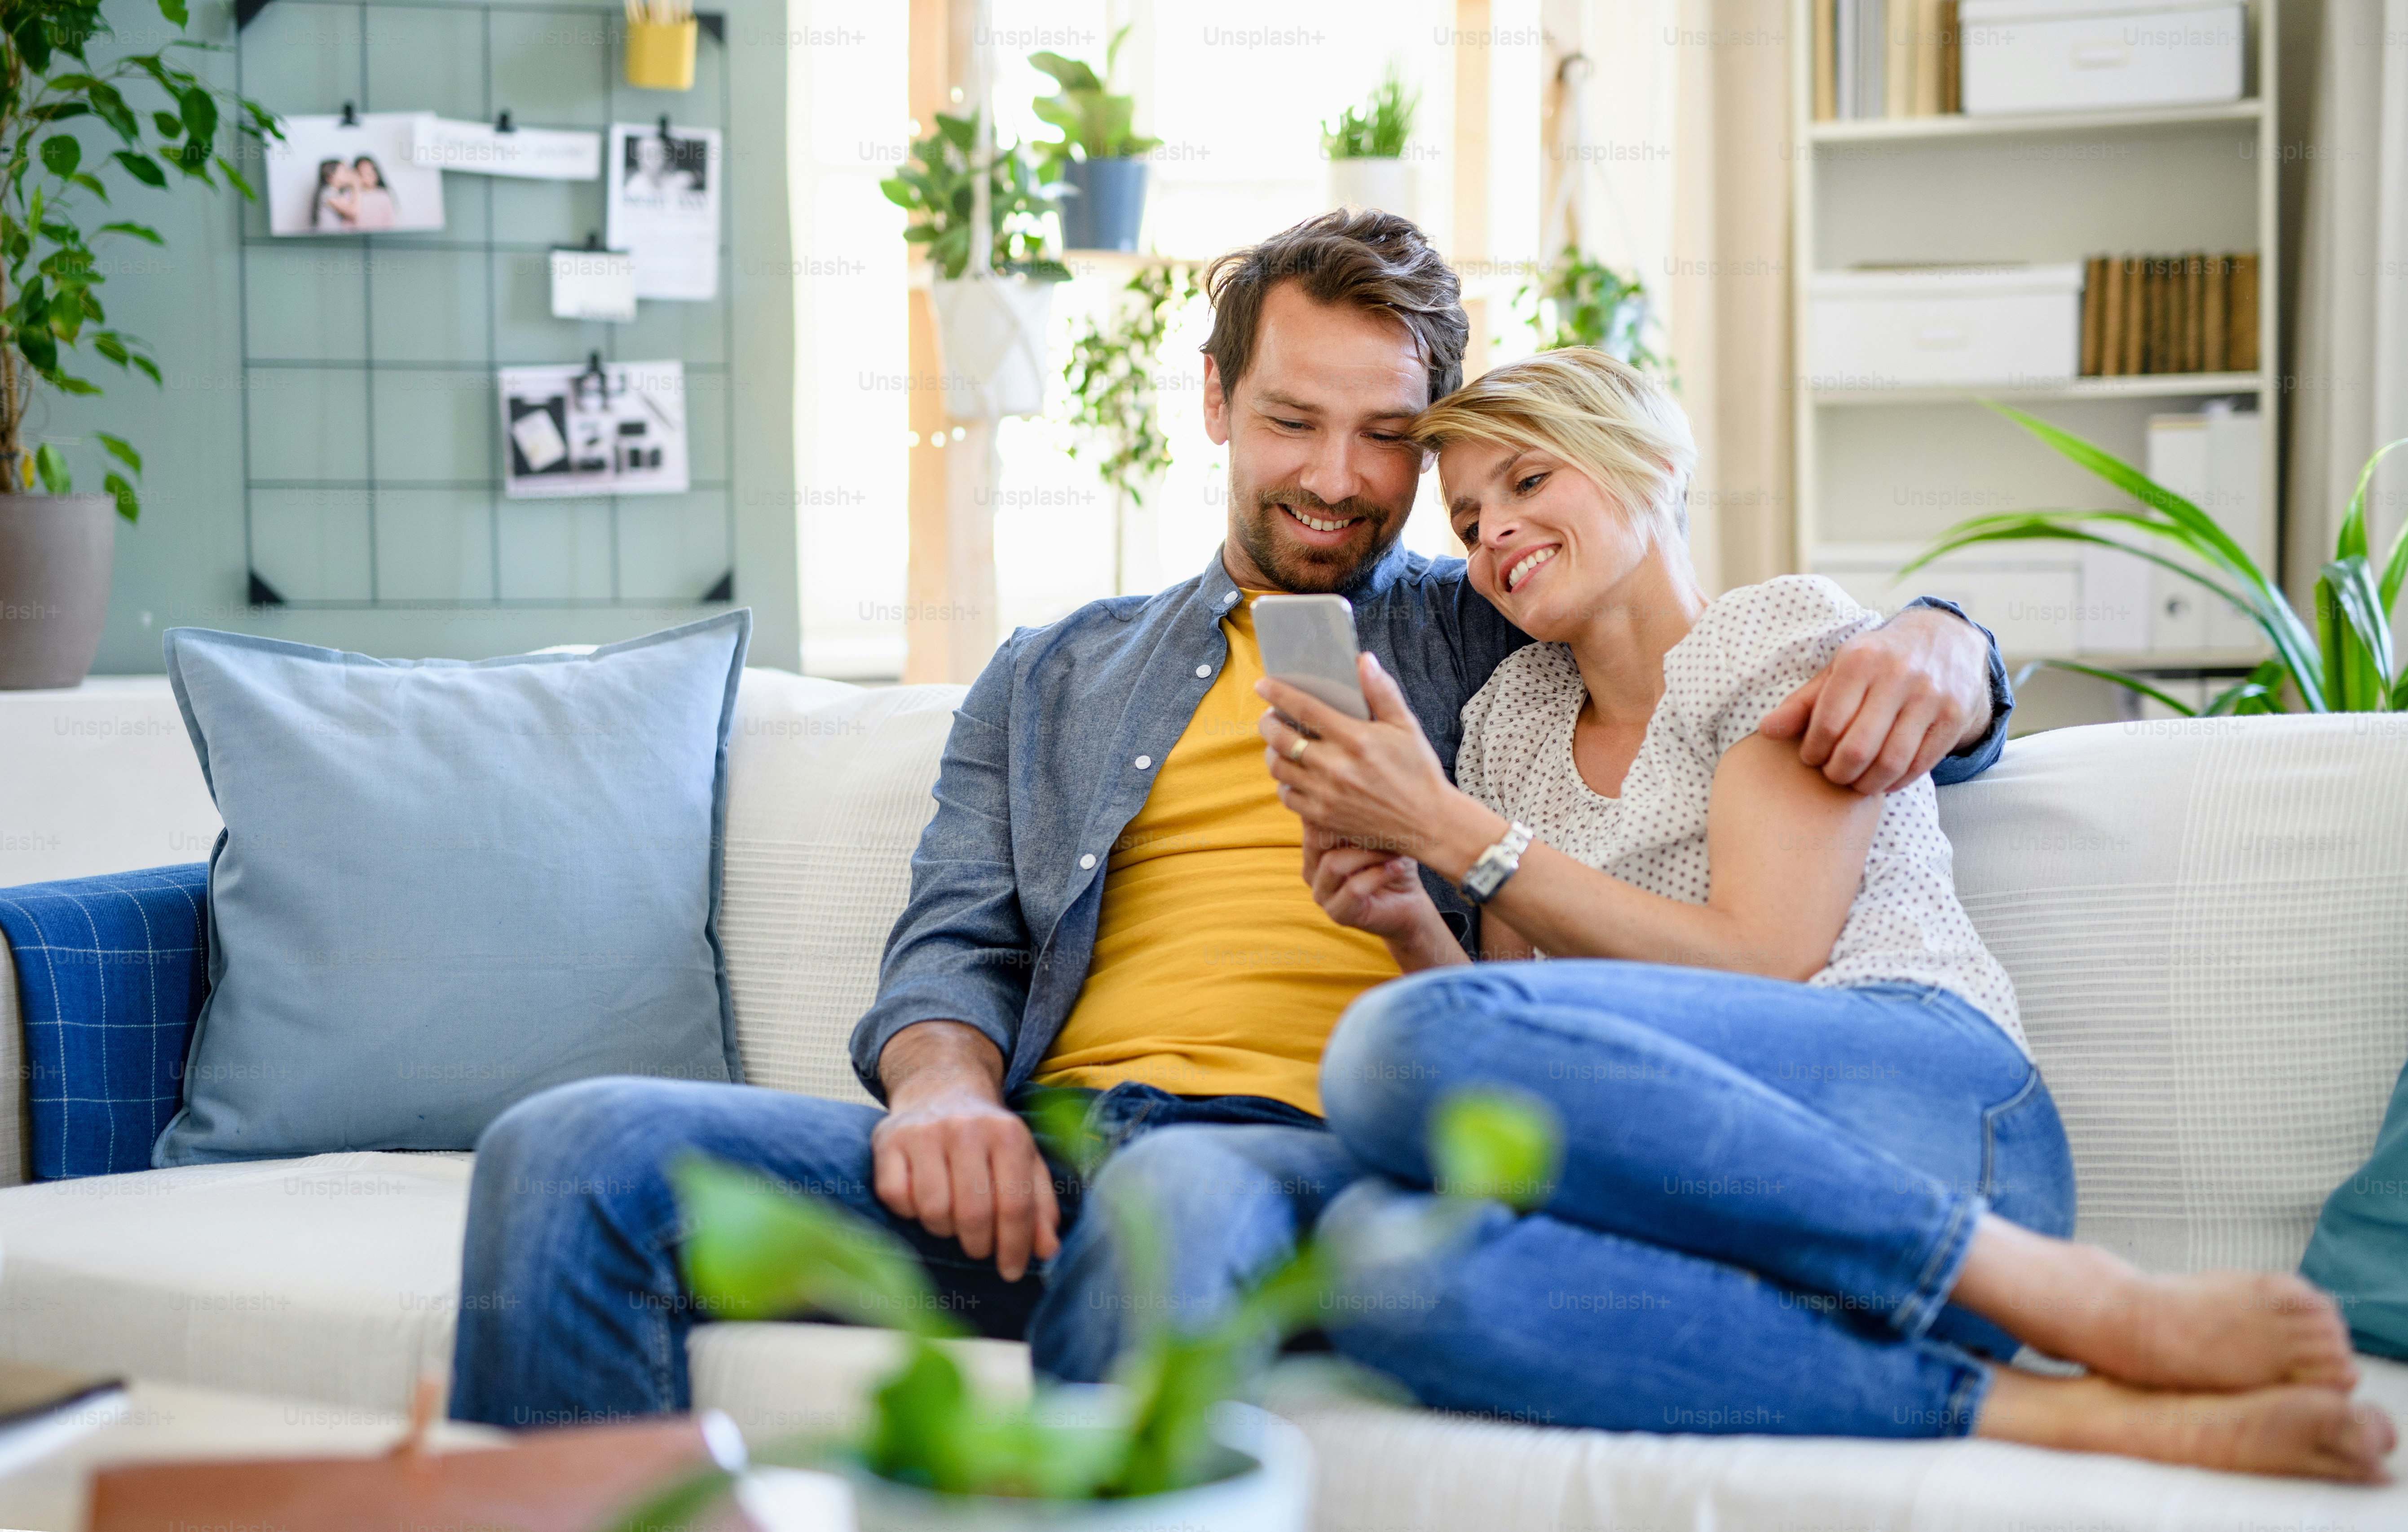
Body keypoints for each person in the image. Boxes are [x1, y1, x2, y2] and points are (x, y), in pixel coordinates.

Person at [447, 210, 2010, 1426]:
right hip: (1046, 1150)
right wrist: (939, 1094)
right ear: (1213, 399)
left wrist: (1952, 641)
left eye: (1389, 441)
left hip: (1305, 1159)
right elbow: (949, 946)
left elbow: (1720, 665)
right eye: (1290, 421)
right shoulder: (1055, 672)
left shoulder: (1488, 629)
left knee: (1174, 1200)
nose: (1337, 480)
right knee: (576, 1146)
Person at [1253, 347, 2393, 1482]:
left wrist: (1447, 829)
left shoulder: (1779, 636)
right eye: (1466, 518)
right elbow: (1522, 1026)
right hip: (1738, 1213)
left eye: (1530, 482)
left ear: (1647, 463)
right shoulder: (1509, 721)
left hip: (1927, 1111)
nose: (1493, 531)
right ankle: (2071, 1415)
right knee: (1378, 1260)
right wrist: (1408, 911)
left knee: (1388, 1050)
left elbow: (1765, 955)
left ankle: (2071, 1292)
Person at [348, 156, 396, 230]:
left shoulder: (383, 196)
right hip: (356, 239)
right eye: (363, 173)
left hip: (379, 238)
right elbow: (347, 224)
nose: (368, 176)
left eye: (371, 172)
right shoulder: (350, 195)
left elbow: (389, 223)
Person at [309, 159, 355, 232]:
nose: (348, 175)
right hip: (327, 238)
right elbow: (352, 213)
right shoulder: (328, 193)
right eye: (345, 172)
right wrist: (356, 187)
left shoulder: (336, 193)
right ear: (331, 176)